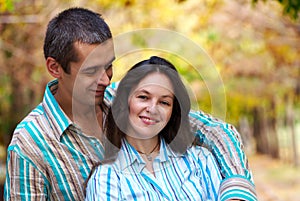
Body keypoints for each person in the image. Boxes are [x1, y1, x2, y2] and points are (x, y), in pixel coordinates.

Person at [4, 7, 256, 201]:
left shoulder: (123, 99)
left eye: (109, 65)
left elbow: (217, 132)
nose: (105, 79)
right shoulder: (29, 145)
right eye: (91, 71)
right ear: (54, 67)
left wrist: (236, 190)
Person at [85, 56, 223, 200]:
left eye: (164, 102)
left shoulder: (200, 161)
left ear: (172, 111)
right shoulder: (106, 179)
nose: (152, 109)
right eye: (143, 97)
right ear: (125, 100)